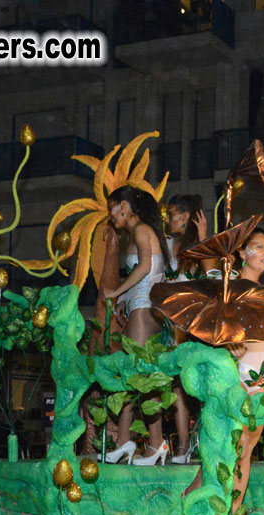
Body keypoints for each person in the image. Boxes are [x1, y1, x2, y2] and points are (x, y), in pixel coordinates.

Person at [181, 228, 264, 515]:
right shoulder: (229, 290)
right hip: (233, 379)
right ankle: (210, 514)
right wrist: (228, 345)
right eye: (258, 247)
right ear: (242, 253)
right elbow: (211, 334)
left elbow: (263, 344)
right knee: (231, 452)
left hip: (258, 381)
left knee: (244, 455)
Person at [101, 185, 171, 465]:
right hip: (138, 309)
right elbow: (145, 275)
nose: (110, 215)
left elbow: (143, 268)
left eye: (112, 208)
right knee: (131, 377)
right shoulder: (137, 232)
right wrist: (123, 300)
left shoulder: (142, 230)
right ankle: (124, 441)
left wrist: (116, 292)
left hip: (144, 312)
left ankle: (156, 444)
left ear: (124, 207)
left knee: (144, 379)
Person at [164, 194, 209, 463]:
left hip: (194, 329)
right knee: (177, 386)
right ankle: (181, 446)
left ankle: (201, 441)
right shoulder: (168, 244)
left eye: (172, 214)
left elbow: (212, 276)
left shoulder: (200, 247)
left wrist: (203, 238)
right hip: (170, 327)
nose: (168, 219)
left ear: (185, 216)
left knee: (200, 385)